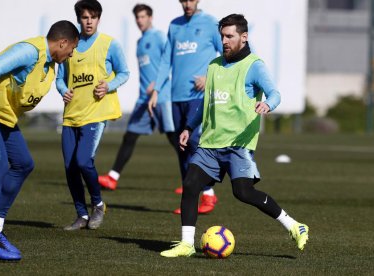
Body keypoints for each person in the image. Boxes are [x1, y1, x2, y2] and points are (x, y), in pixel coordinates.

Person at [160, 14, 309, 258]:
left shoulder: (254, 65)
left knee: (243, 192)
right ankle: (187, 244)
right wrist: (188, 127)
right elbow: (205, 105)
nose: (225, 41)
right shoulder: (214, 65)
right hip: (210, 144)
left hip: (238, 145)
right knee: (190, 184)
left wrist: (267, 105)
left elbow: (275, 93)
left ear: (244, 36)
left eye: (230, 36)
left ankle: (294, 225)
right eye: (222, 36)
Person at [0, 21, 79, 261]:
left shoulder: (51, 68)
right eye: (72, 49)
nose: (72, 54)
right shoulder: (31, 51)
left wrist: (63, 90)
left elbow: (40, 86)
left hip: (2, 117)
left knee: (23, 164)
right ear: (63, 42)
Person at [56, 0, 129, 231]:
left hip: (95, 114)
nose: (89, 21)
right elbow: (60, 77)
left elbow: (124, 72)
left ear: (99, 18)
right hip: (71, 116)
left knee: (83, 162)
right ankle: (81, 215)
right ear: (78, 19)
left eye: (93, 17)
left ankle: (98, 204)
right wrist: (62, 90)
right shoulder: (70, 44)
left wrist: (109, 85)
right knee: (70, 168)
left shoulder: (109, 44)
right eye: (85, 17)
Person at [147, 0, 223, 214]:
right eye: (184, 0)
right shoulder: (175, 25)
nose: (188, 3)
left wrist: (210, 77)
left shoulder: (210, 24)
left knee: (194, 141)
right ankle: (190, 199)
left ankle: (208, 193)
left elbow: (227, 55)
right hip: (176, 96)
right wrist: (156, 91)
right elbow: (165, 62)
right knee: (181, 147)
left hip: (199, 97)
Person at [98, 4, 177, 191]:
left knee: (175, 139)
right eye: (137, 18)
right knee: (130, 136)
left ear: (150, 17)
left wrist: (156, 84)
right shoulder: (140, 42)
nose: (140, 21)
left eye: (143, 17)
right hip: (143, 99)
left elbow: (170, 62)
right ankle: (112, 177)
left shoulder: (158, 37)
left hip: (162, 97)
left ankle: (196, 181)